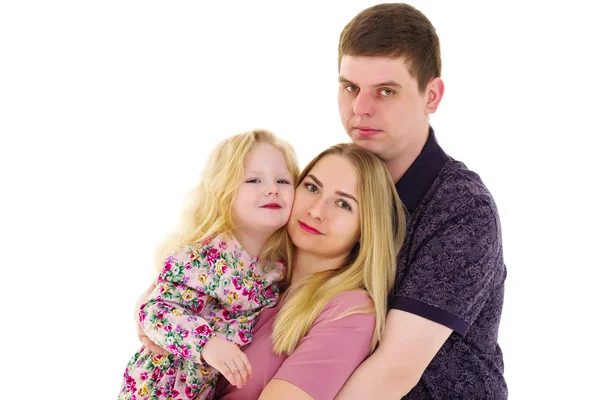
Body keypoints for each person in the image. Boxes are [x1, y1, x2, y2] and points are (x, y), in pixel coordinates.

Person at [137, 143, 406, 399]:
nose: (316, 211)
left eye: (344, 204)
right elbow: (160, 305)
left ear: (367, 228)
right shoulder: (251, 273)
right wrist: (154, 314)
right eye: (312, 188)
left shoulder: (350, 311)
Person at [334, 3, 508, 399]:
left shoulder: (462, 210)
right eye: (350, 87)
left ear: (432, 95)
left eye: (386, 91)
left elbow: (394, 372)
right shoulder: (331, 186)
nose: (360, 108)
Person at [118, 129, 300, 400]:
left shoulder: (280, 264)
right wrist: (207, 344)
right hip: (164, 388)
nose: (272, 188)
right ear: (224, 192)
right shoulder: (202, 256)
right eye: (253, 180)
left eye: (283, 181)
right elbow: (155, 313)